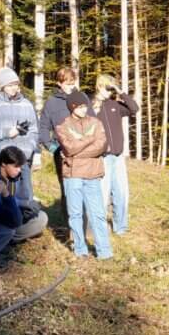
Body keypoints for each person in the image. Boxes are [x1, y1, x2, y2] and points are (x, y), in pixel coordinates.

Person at [57, 95, 111, 260]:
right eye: (80, 106)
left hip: (92, 174)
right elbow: (69, 147)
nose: (84, 109)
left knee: (98, 214)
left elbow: (101, 146)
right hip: (72, 176)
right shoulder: (62, 126)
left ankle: (104, 252)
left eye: (85, 106)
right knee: (75, 214)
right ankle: (80, 250)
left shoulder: (96, 123)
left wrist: (75, 154)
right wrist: (89, 139)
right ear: (72, 107)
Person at [91, 74, 138, 236]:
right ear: (99, 86)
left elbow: (134, 109)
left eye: (111, 87)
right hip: (102, 157)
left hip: (118, 157)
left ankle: (121, 227)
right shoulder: (91, 106)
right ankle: (100, 227)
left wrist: (120, 92)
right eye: (107, 87)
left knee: (121, 192)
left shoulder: (115, 104)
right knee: (102, 194)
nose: (109, 91)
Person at [0, 68, 40, 197]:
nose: (14, 88)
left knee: (25, 196)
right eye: (10, 85)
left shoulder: (27, 105)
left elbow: (34, 131)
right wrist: (7, 132)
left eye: (16, 84)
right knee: (0, 196)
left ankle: (24, 217)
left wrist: (32, 151)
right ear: (3, 86)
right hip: (0, 159)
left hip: (23, 158)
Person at [40, 67, 87, 219]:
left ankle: (86, 221)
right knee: (67, 187)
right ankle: (69, 222)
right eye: (67, 84)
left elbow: (94, 122)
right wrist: (52, 147)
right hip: (62, 152)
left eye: (73, 83)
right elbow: (43, 127)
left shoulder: (82, 97)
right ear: (59, 83)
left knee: (86, 187)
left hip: (84, 152)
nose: (71, 87)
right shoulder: (51, 103)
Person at [0, 146, 48, 242]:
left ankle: (8, 238)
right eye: (16, 166)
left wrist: (27, 209)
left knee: (42, 217)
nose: (19, 170)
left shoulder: (17, 176)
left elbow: (26, 197)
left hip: (12, 220)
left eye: (21, 167)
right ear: (3, 164)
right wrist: (23, 203)